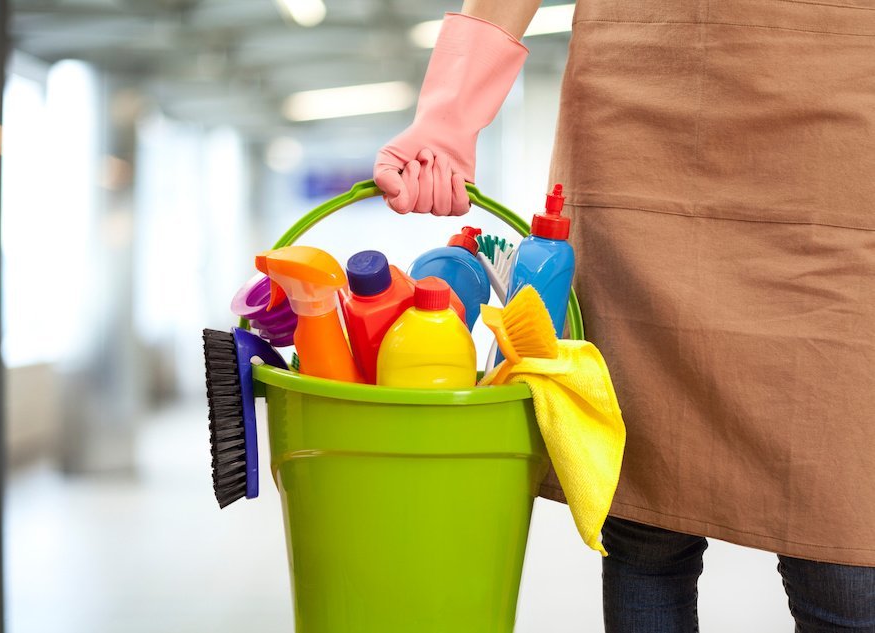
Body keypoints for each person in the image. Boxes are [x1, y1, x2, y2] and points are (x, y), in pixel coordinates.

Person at [373, 0, 875, 630]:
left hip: (842, 114)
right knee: (645, 529)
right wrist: (448, 115)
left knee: (846, 558)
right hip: (642, 102)